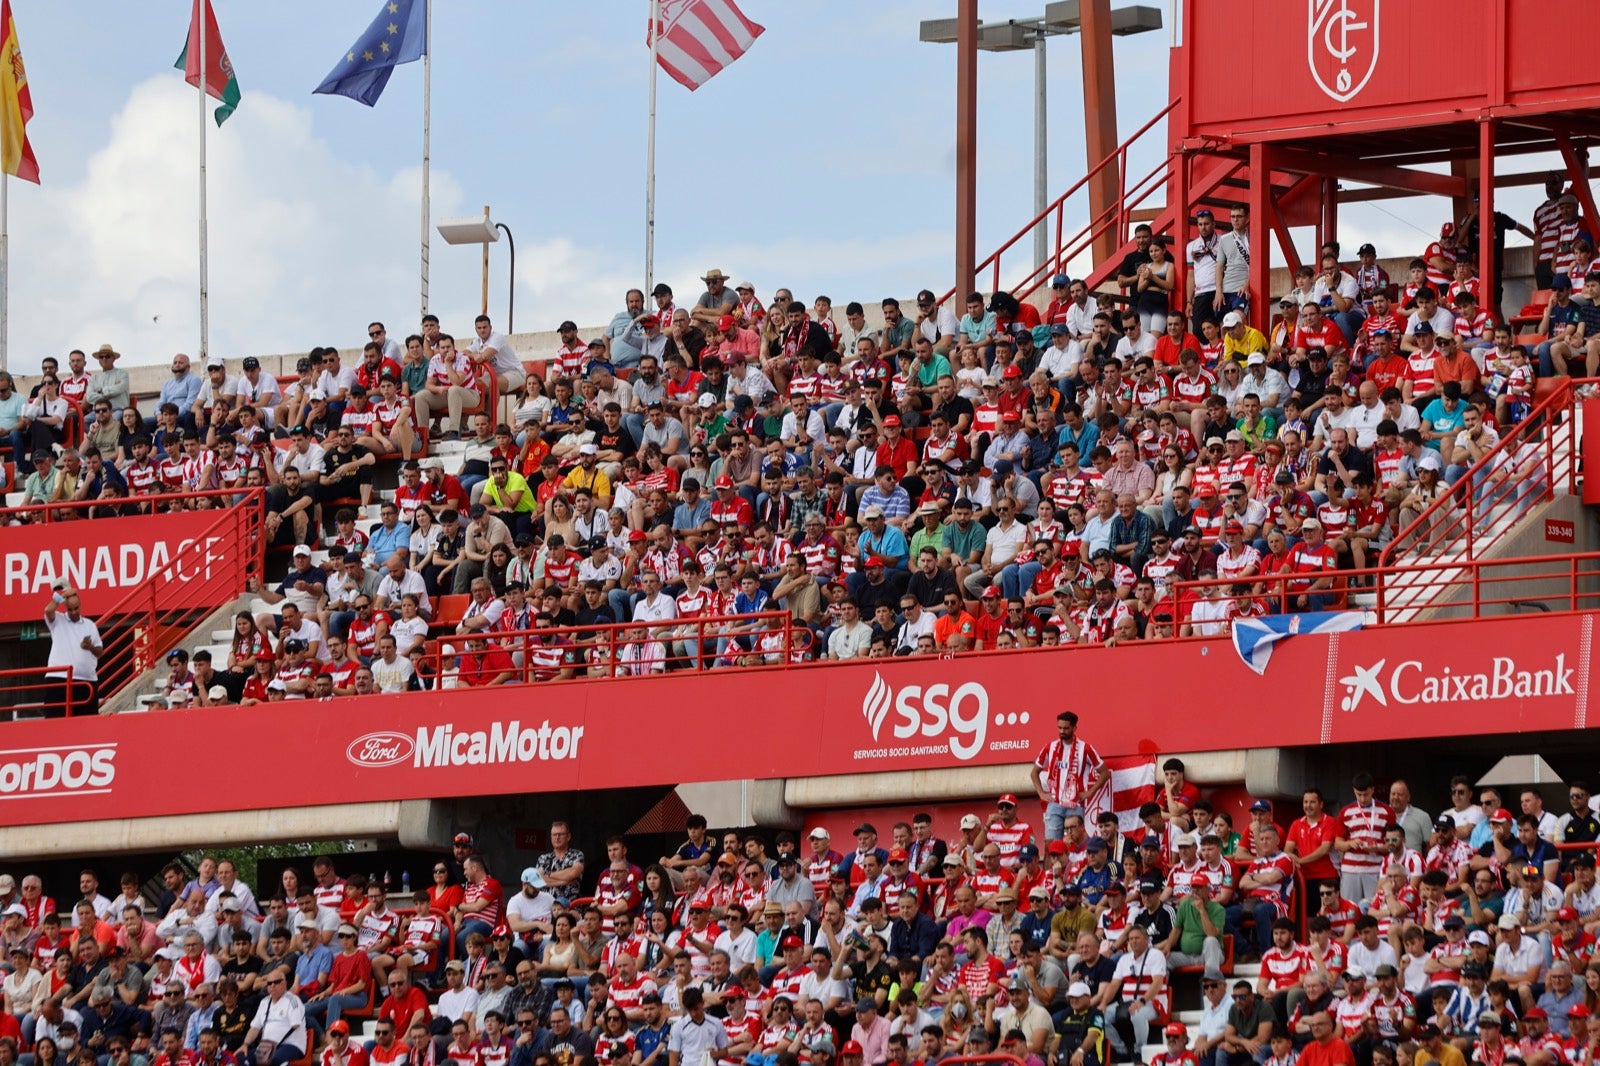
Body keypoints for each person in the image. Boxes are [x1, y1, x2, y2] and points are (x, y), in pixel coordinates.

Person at [43, 582, 101, 716]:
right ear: (65, 608)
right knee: (56, 722)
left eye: (76, 608)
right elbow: (48, 610)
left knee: (86, 724)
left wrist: (90, 647)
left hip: (87, 681)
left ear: (80, 606)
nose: (74, 612)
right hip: (59, 679)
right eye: (70, 609)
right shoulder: (58, 620)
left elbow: (100, 651)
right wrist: (63, 596)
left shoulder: (90, 625)